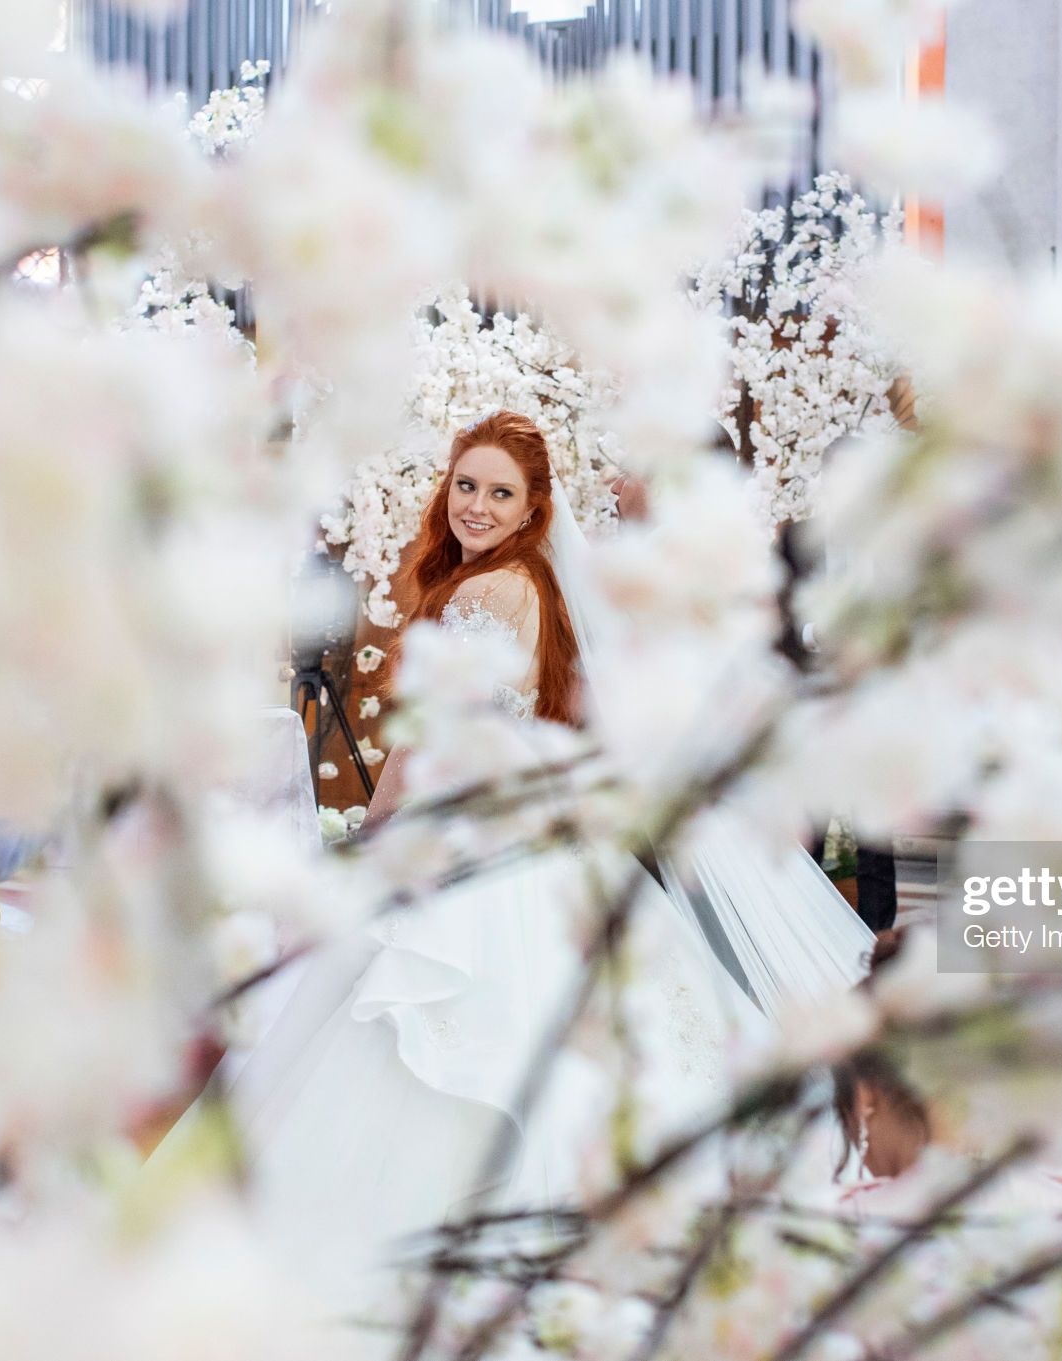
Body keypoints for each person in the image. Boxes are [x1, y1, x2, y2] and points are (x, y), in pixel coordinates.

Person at [156, 412, 864, 1323]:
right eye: (467, 485)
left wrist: (371, 835)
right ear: (445, 486)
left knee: (432, 1027)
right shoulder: (536, 590)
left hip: (472, 848)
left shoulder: (482, 597)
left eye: (500, 493)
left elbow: (428, 746)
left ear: (533, 507)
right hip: (533, 843)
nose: (478, 506)